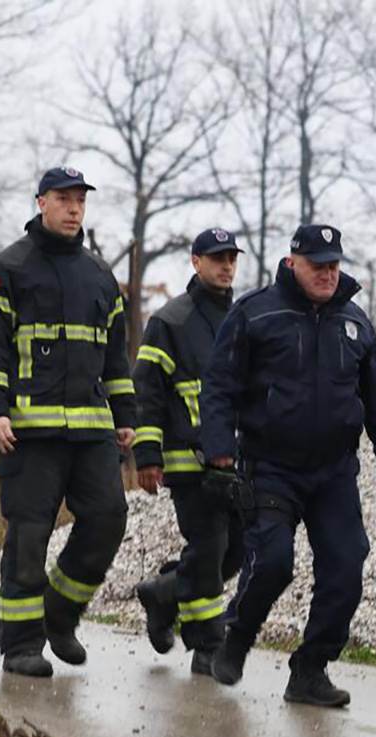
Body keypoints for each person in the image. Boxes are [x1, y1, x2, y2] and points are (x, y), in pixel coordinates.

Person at [197, 224, 376, 707]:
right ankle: (238, 636)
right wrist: (218, 449)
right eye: (318, 266)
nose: (327, 274)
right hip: (271, 465)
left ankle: (310, 669)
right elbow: (220, 385)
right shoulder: (257, 313)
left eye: (334, 265)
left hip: (335, 471)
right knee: (273, 562)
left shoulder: (355, 322)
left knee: (346, 566)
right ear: (293, 263)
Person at [0, 167, 135, 678]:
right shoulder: (8, 269)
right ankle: (21, 645)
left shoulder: (101, 276)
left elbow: (117, 359)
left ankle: (59, 614)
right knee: (28, 539)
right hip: (27, 435)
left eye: (80, 200)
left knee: (108, 520)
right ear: (41, 203)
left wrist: (126, 418)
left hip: (91, 433)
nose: (74, 208)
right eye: (64, 198)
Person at [132, 228, 247, 676]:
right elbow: (147, 393)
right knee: (211, 544)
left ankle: (163, 593)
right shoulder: (170, 321)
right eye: (217, 258)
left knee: (234, 552)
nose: (226, 266)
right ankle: (207, 646)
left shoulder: (243, 319)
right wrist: (147, 455)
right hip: (187, 463)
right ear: (195, 262)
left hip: (235, 463)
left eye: (231, 258)